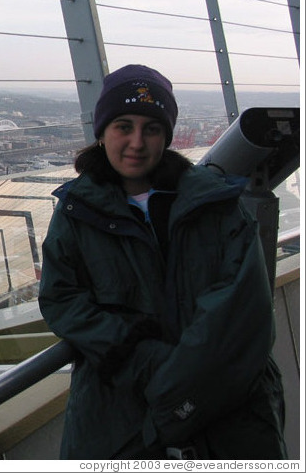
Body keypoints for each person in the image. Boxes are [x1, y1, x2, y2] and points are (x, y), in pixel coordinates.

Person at [38, 64, 287, 460]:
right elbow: (61, 300)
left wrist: (171, 395)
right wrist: (147, 360)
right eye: (123, 126)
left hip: (223, 422)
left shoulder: (218, 206)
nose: (137, 142)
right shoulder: (75, 213)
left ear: (167, 137)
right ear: (102, 132)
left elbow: (244, 313)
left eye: (151, 129)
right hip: (124, 421)